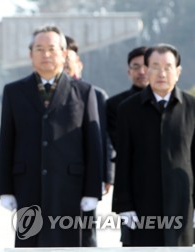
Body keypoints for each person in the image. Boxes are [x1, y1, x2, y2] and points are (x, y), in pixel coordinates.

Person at [0, 26, 102, 247]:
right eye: (39, 49)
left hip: (70, 186)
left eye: (52, 49)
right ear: (30, 54)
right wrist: (5, 188)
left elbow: (93, 144)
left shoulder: (84, 91)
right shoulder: (14, 91)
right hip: (28, 185)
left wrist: (93, 190)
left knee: (68, 244)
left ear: (64, 54)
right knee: (30, 242)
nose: (46, 54)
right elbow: (7, 141)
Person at [112, 44, 195, 246]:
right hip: (141, 204)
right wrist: (124, 205)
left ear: (178, 72)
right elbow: (123, 159)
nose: (162, 73)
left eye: (168, 67)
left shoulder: (192, 108)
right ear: (146, 70)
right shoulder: (128, 109)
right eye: (155, 66)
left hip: (181, 202)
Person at [64, 35, 112, 247]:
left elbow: (104, 138)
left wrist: (106, 175)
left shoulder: (95, 94)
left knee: (86, 230)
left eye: (69, 63)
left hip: (86, 174)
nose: (64, 67)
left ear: (79, 65)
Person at [105, 46, 148, 246]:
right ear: (128, 71)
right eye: (136, 67)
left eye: (146, 66)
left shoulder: (179, 105)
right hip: (132, 186)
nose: (142, 72)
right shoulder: (116, 105)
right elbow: (121, 146)